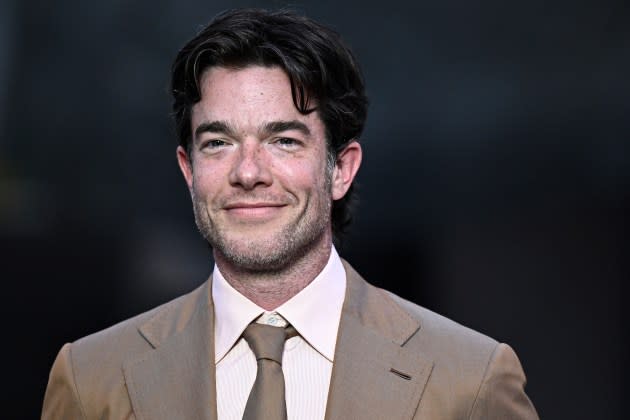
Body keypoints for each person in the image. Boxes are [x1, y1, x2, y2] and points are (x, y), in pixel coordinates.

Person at [42, 8, 538, 419]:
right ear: (188, 170)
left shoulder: (470, 381)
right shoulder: (92, 380)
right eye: (218, 142)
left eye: (283, 140)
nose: (249, 171)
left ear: (340, 169)